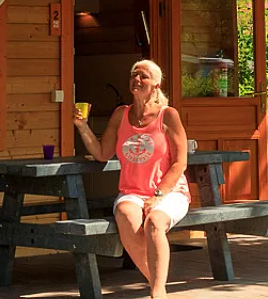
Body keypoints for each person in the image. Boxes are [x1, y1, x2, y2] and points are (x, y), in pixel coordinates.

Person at [73, 59, 190, 299]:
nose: (137, 79)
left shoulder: (168, 115)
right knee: (127, 218)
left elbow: (180, 162)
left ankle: (157, 293)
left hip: (169, 192)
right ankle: (159, 286)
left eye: (144, 76)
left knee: (154, 223)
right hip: (131, 192)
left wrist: (158, 196)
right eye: (134, 75)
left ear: (156, 84)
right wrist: (82, 127)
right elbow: (103, 153)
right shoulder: (120, 115)